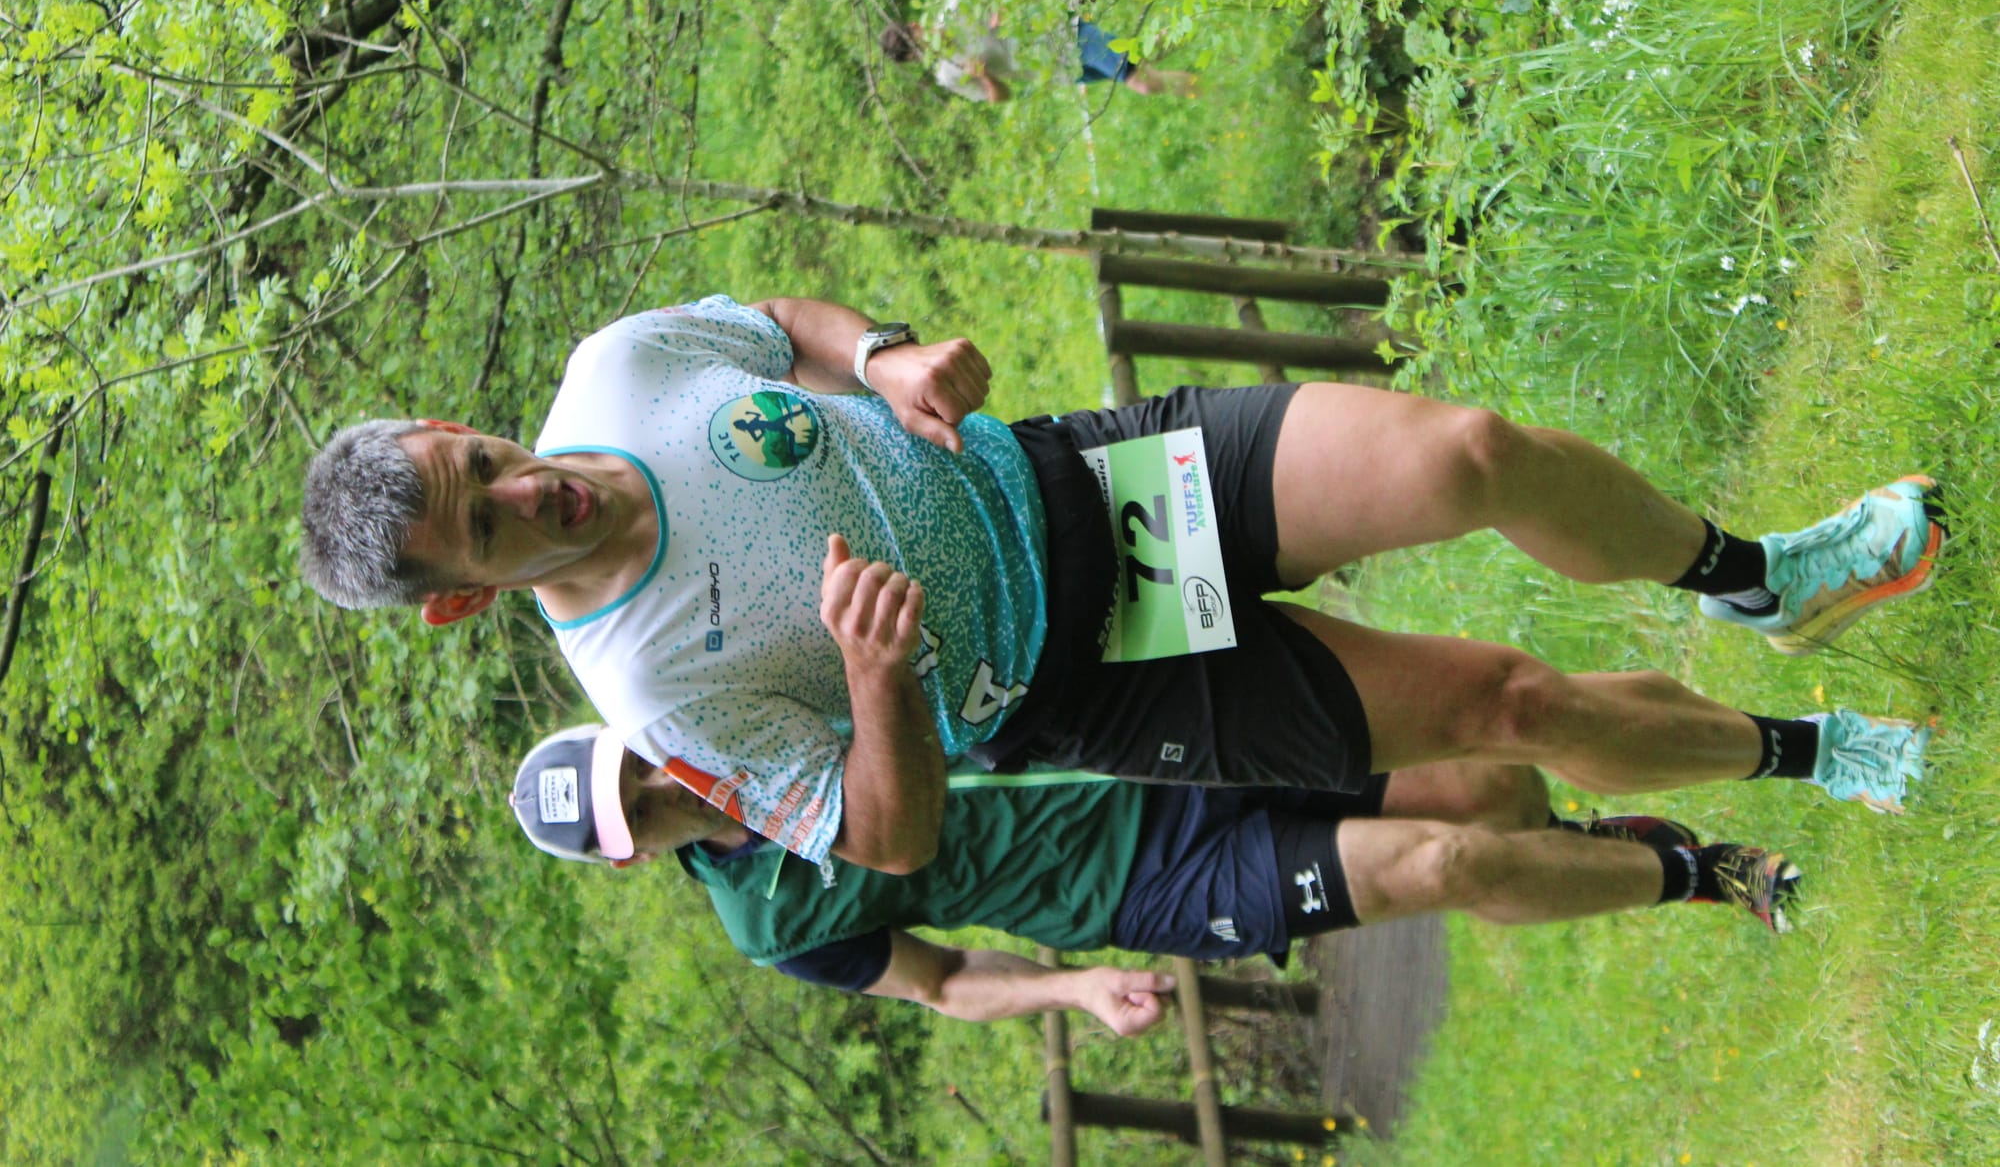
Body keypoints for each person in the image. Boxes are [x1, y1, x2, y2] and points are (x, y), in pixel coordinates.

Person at [301, 295, 1944, 877]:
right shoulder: (659, 693)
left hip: (1087, 486)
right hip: (1084, 680)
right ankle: (1808, 750)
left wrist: (881, 350)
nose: (535, 487)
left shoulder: (617, 365)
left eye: (485, 456)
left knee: (1465, 452)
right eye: (494, 525)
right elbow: (886, 837)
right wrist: (879, 678)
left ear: (459, 422)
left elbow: (775, 324)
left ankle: (1762, 575)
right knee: (1508, 709)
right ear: (466, 596)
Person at [509, 727, 1805, 1032]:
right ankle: (1706, 873)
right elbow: (944, 981)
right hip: (1142, 882)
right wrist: (1075, 989)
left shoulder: (755, 713)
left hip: (1154, 739)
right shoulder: (768, 919)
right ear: (635, 859)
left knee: (1487, 796)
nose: (658, 796)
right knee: (1445, 860)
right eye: (635, 819)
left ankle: (1605, 849)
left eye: (638, 770)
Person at [879, 0, 1198, 103]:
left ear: (915, 28)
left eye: (915, 42)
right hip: (1057, 70)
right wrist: (986, 77)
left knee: (1139, 80)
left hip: (1062, 36)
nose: (922, 50)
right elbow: (1001, 97)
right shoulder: (947, 73)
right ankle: (1196, 31)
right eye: (915, 55)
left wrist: (999, 9)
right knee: (1140, 66)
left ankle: (1206, 71)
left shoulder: (954, 9)